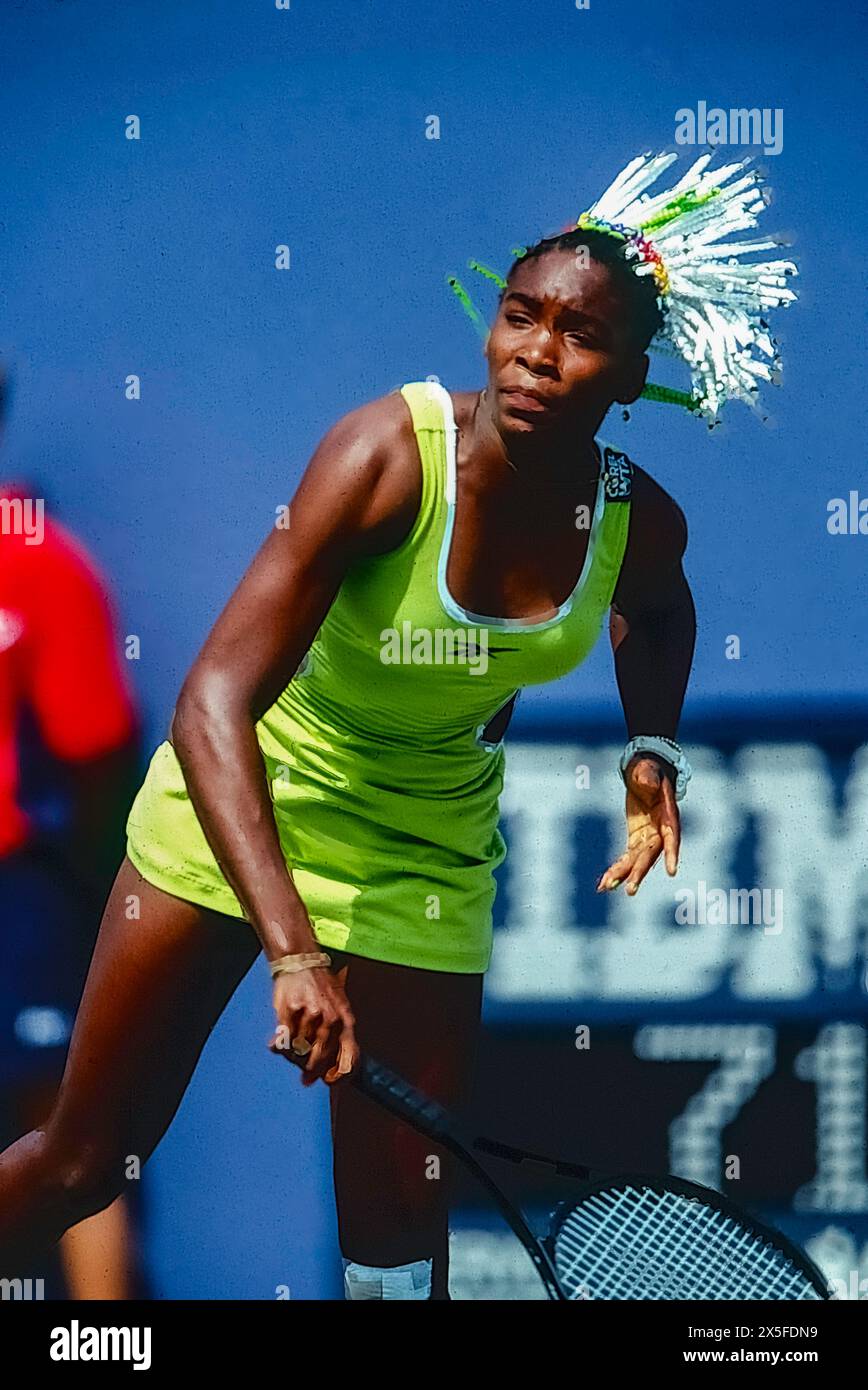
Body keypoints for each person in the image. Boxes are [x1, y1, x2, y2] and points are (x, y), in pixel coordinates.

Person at [0, 152, 796, 1300]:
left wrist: (649, 751)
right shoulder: (383, 457)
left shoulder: (635, 520)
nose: (535, 350)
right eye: (520, 315)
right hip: (242, 803)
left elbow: (659, 612)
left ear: (629, 375)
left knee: (393, 1253)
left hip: (425, 852)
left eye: (579, 336)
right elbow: (211, 699)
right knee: (81, 1163)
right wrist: (295, 951)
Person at [0, 366, 144, 1297]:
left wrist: (87, 888)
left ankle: (99, 1339)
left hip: (17, 896)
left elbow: (99, 745)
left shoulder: (37, 559)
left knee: (60, 1124)